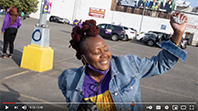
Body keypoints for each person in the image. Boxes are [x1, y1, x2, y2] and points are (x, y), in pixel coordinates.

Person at [58, 12, 187, 111]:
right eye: (97, 53)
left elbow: (160, 63)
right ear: (84, 59)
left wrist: (178, 33)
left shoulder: (128, 65)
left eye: (106, 49)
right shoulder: (69, 78)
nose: (105, 55)